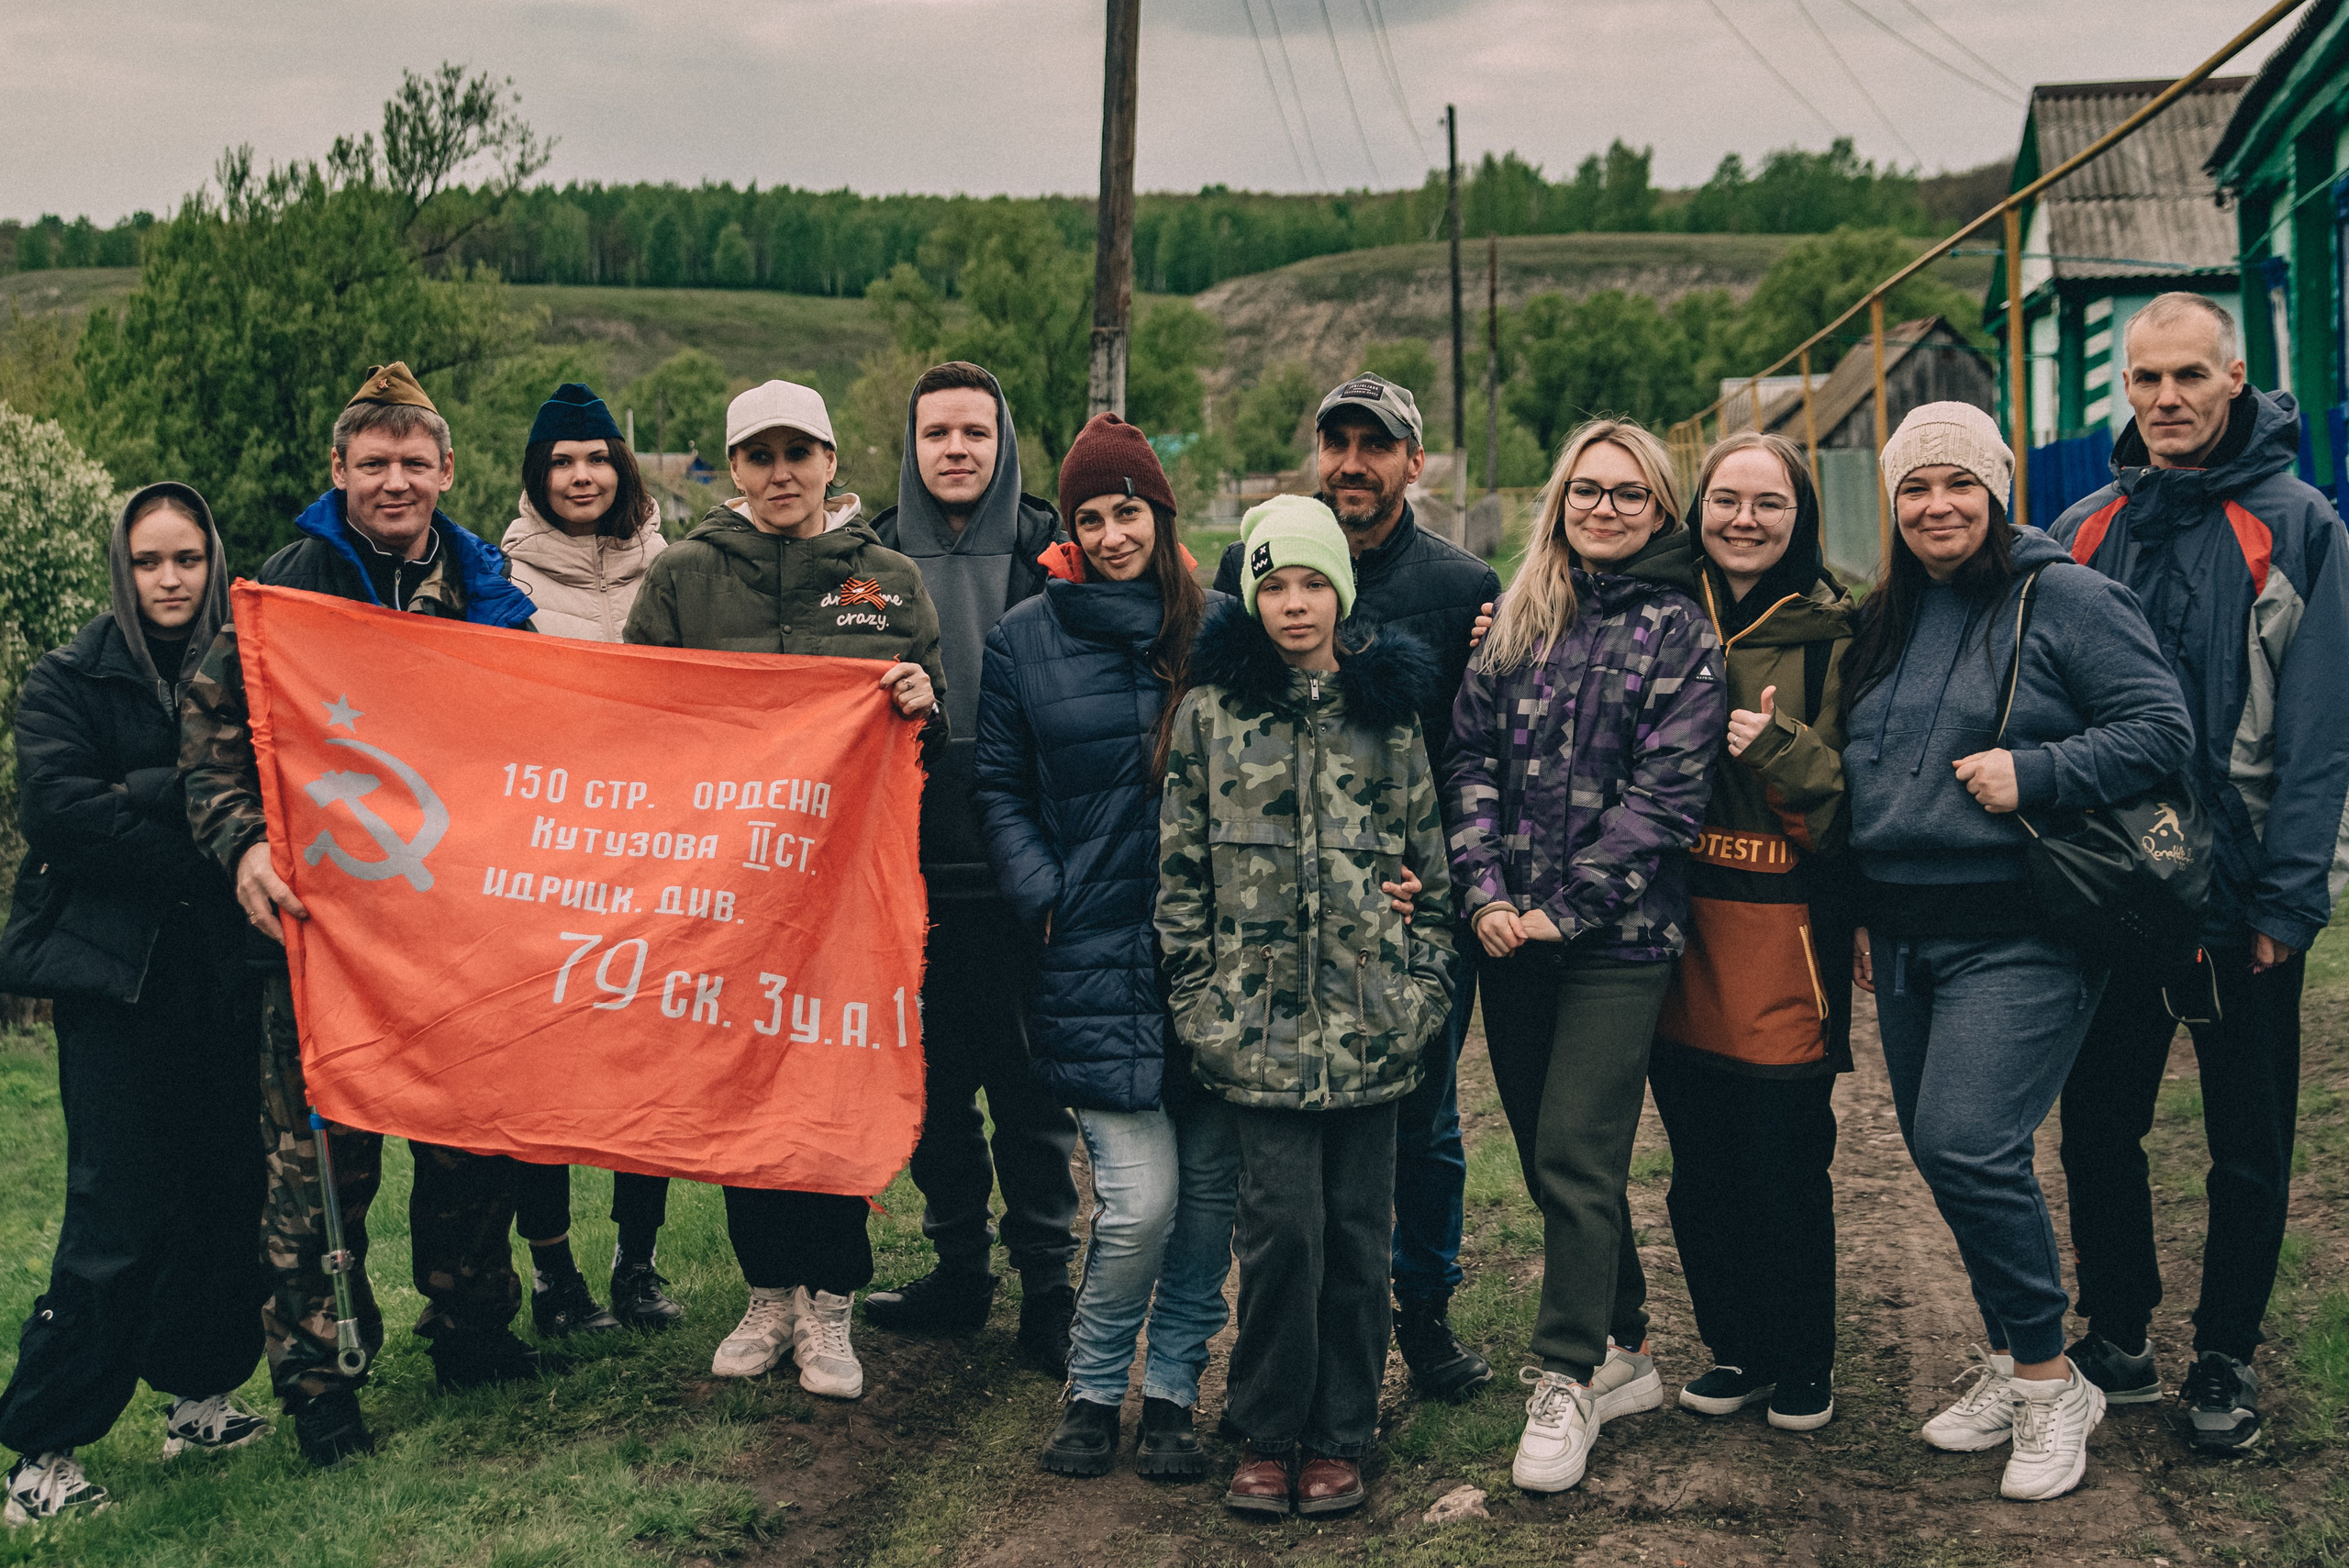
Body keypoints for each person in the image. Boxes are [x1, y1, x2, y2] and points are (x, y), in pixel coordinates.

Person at [181, 362, 547, 1466]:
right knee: (318, 1170)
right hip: (321, 935)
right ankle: (319, 1374)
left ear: (447, 468)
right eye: (372, 462)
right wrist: (242, 845)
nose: (395, 480)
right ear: (337, 470)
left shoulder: (490, 592)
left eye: (413, 461)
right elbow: (209, 741)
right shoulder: (287, 589)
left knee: (472, 1143)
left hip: (457, 930)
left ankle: (474, 1324)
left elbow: (549, 742)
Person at [1845, 402, 2193, 1502]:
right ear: (1892, 505)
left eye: (1958, 484)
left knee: (1967, 1139)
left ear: (1997, 491)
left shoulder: (2070, 597)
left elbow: (2159, 730)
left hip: (2023, 925)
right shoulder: (1888, 615)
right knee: (1940, 1149)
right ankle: (2007, 1353)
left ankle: (2051, 1385)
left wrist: (2032, 771)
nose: (1936, 505)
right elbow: (1871, 772)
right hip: (1903, 930)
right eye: (1914, 488)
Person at [2048, 293, 2349, 1448]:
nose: (2164, 398)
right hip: (2111, 898)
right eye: (2143, 379)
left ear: (2235, 379)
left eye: (2187, 376)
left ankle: (2224, 1357)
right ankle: (2117, 1334)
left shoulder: (2297, 523)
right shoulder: (2082, 528)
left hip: (2238, 903)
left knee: (2247, 1141)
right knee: (2095, 1127)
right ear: (2122, 389)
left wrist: (2284, 899)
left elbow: (2322, 733)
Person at [625, 378, 941, 1401]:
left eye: (796, 453)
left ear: (831, 459)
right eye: (758, 456)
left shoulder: (887, 580)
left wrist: (918, 701)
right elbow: (636, 715)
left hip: (848, 891)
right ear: (733, 469)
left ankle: (833, 1302)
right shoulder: (681, 577)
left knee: (833, 1084)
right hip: (731, 891)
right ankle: (768, 1291)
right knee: (746, 1089)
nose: (780, 474)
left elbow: (928, 728)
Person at [1160, 495, 1456, 1518]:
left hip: (1373, 1029)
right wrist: (1202, 1005)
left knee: (1357, 1235)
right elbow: (1182, 878)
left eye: (1312, 582)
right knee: (1280, 1231)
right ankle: (1266, 1424)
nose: (1294, 604)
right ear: (1252, 594)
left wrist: (1418, 992)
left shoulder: (1388, 717)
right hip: (1257, 1033)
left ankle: (1340, 1430)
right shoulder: (1210, 717)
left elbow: (1434, 878)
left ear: (1340, 590)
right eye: (1275, 584)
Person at [1209, 372, 1501, 1400]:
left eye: (1374, 444)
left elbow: (1482, 743)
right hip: (1282, 916)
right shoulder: (1250, 569)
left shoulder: (1464, 587)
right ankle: (1304, 1345)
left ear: (1412, 462)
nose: (1351, 462)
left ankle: (1422, 1313)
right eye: (1335, 441)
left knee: (1421, 1124)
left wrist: (1449, 877)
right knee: (1289, 1158)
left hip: (1407, 907)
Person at [1446, 417, 1725, 1495]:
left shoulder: (1678, 633)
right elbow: (1466, 753)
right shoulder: (1516, 619)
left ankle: (1565, 1376)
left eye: (1628, 494)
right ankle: (1625, 1347)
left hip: (1617, 940)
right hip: (1509, 933)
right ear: (1559, 501)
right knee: (1541, 1149)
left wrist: (1564, 907)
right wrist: (1484, 892)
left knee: (1575, 1146)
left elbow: (1667, 798)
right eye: (1586, 490)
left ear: (1659, 511)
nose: (1603, 508)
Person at [974, 413, 1238, 1480]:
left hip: (1217, 961)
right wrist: (1047, 892)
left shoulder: (1221, 628)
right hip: (1090, 954)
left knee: (1207, 1202)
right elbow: (995, 785)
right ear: (1069, 530)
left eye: (1128, 510)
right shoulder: (1024, 638)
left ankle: (1172, 1388)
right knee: (1138, 1202)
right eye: (1091, 516)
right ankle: (1092, 1389)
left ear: (1159, 512)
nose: (1112, 532)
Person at [0, 484, 267, 1525]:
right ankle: (42, 1449)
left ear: (212, 563)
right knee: (117, 1207)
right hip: (115, 982)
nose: (171, 578)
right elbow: (63, 814)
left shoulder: (249, 666)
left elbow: (278, 795)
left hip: (219, 972)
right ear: (125, 564)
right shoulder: (70, 677)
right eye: (152, 560)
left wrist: (144, 788)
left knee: (221, 1186)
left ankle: (197, 1395)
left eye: (189, 559)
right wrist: (194, 811)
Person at [863, 361, 1082, 1371]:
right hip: (900, 873)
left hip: (1025, 869)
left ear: (1004, 446)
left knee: (1031, 1094)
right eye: (937, 432)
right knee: (931, 1092)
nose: (956, 449)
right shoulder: (859, 553)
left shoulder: (1058, 547)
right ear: (910, 445)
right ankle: (958, 1267)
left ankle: (1048, 1284)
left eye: (975, 434)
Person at [1650, 432, 1855, 1433]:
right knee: (1699, 1164)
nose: (1743, 519)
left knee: (1783, 1156)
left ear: (1798, 516)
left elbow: (1852, 811)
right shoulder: (1653, 609)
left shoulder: (1837, 631)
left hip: (1781, 926)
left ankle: (1803, 1356)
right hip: (1672, 922)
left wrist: (1783, 751)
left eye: (1766, 503)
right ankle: (1735, 1346)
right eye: (1725, 499)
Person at [497, 382, 682, 1338]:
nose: (581, 475)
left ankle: (637, 1260)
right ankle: (553, 1268)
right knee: (545, 1073)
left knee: (639, 1063)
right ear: (539, 474)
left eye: (596, 457)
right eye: (562, 460)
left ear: (622, 465)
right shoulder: (501, 577)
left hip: (650, 854)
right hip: (545, 859)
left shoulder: (673, 569)